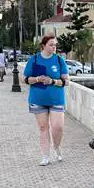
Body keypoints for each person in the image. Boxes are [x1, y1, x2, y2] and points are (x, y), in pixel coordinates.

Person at [23, 34, 68, 166]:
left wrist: (52, 81)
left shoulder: (59, 60)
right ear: (43, 45)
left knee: (57, 127)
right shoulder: (34, 59)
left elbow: (66, 81)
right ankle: (45, 156)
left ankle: (57, 147)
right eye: (51, 45)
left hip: (57, 99)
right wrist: (37, 79)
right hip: (38, 98)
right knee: (43, 127)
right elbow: (25, 79)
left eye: (55, 45)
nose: (54, 47)